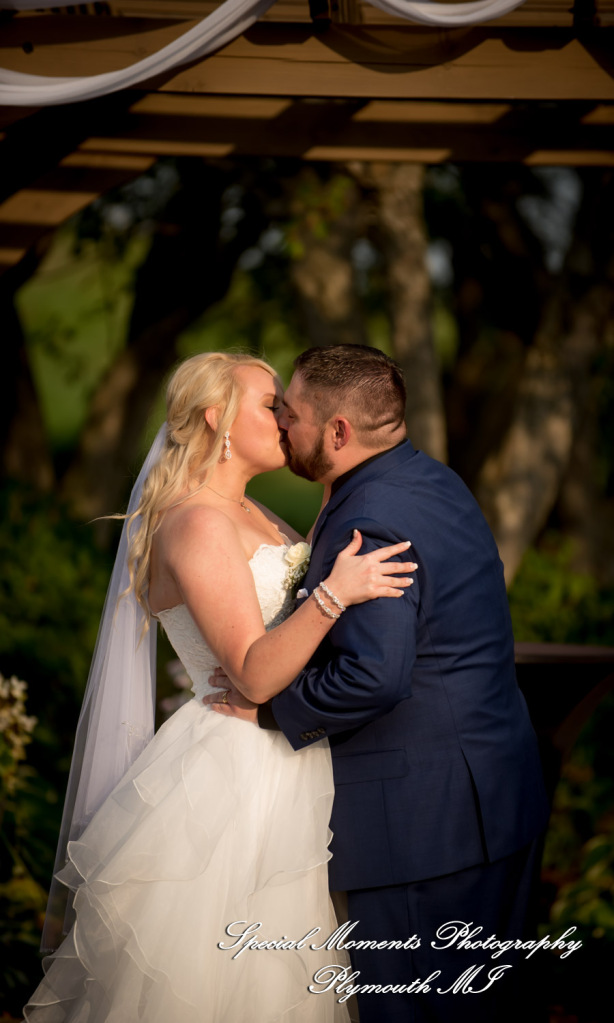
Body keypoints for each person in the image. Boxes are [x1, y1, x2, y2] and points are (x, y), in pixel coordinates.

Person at [24, 351, 416, 1023]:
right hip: (234, 775)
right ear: (218, 419)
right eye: (270, 403)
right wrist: (333, 593)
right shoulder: (196, 521)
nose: (285, 416)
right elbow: (256, 671)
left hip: (292, 756)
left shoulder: (257, 514)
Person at [206, 344, 551, 1023]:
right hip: (496, 799)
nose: (282, 425)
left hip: (423, 830)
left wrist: (268, 707)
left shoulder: (373, 518)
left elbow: (373, 674)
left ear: (338, 432)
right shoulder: (434, 481)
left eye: (292, 413)